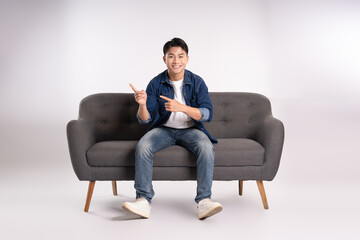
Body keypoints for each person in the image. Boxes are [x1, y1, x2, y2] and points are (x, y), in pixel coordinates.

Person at [122, 37, 222, 220]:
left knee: (206, 147)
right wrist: (142, 105)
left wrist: (181, 107)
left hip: (191, 130)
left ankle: (204, 201)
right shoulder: (155, 83)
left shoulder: (198, 82)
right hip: (164, 129)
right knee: (143, 146)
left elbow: (207, 113)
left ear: (187, 59)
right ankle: (143, 200)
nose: (176, 61)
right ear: (164, 59)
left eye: (180, 56)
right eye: (171, 56)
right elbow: (145, 120)